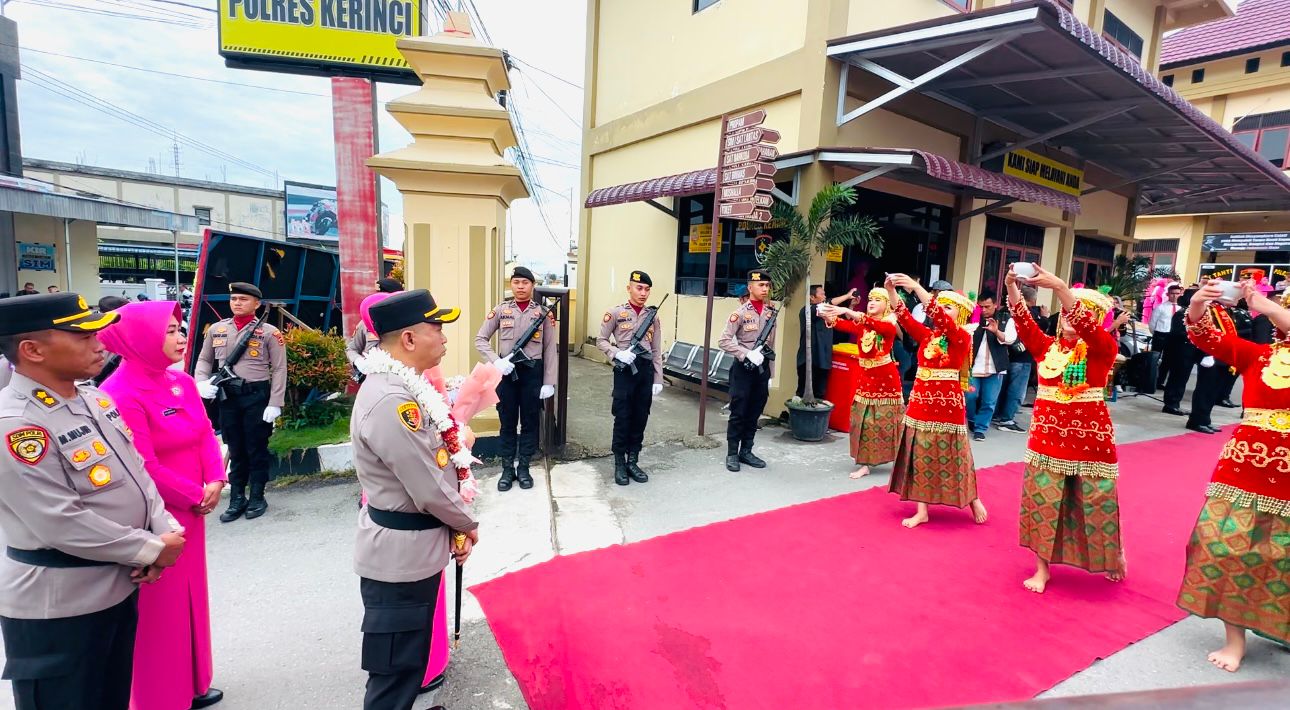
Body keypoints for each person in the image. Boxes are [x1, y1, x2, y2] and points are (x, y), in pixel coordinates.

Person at [0, 292, 186, 710]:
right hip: (60, 606)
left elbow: (137, 472)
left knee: (111, 697)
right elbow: (59, 520)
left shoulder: (92, 398)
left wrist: (162, 528)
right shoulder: (16, 425)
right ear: (32, 350)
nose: (99, 343)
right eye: (81, 336)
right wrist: (151, 548)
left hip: (117, 587)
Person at [351, 289, 478, 710]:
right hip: (398, 561)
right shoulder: (392, 400)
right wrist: (467, 523)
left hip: (413, 554)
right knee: (393, 676)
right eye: (436, 327)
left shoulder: (405, 387)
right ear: (407, 339)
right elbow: (426, 485)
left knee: (409, 660)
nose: (444, 337)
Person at [98, 301, 226, 710]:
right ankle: (160, 695)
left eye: (178, 328)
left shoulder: (180, 382)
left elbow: (205, 431)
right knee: (161, 609)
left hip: (195, 506)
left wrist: (216, 479)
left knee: (192, 596)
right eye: (169, 331)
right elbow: (143, 465)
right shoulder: (118, 392)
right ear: (138, 339)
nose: (180, 336)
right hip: (159, 514)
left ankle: (193, 680)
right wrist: (194, 494)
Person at [1176, 279, 1290, 672]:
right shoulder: (1258, 355)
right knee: (1226, 549)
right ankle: (1235, 641)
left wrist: (1265, 305)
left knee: (1282, 558)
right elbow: (1207, 338)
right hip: (1241, 472)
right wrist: (1195, 306)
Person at [1003, 265, 1125, 593]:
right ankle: (1042, 568)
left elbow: (1087, 326)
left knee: (1096, 502)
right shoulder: (1046, 347)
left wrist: (1059, 287)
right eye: (1068, 311)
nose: (1071, 317)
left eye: (1081, 313)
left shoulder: (1103, 349)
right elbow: (1022, 320)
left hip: (1090, 442)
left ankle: (1111, 555)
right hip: (1046, 441)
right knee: (1044, 503)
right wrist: (1011, 285)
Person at [886, 274, 987, 528]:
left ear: (961, 314)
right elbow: (904, 317)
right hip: (920, 401)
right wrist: (891, 290)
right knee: (920, 453)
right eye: (940, 305)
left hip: (947, 405)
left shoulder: (961, 337)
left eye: (948, 307)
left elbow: (938, 316)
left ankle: (972, 497)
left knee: (956, 455)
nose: (941, 310)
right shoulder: (929, 335)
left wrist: (917, 287)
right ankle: (922, 510)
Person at [193, 282, 287, 522]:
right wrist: (200, 383)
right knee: (234, 446)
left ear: (257, 304)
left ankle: (257, 495)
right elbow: (204, 360)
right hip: (228, 397)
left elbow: (279, 369)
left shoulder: (269, 332)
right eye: (234, 298)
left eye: (243, 299)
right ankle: (237, 497)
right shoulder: (217, 329)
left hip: (257, 396)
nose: (237, 302)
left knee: (256, 447)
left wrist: (275, 402)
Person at [475, 267, 556, 492]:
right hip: (507, 373)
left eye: (525, 283)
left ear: (532, 286)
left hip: (533, 373)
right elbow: (480, 339)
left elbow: (550, 349)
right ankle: (508, 468)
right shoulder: (501, 310)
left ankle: (524, 468)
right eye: (516, 282)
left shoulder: (543, 313)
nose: (520, 287)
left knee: (530, 422)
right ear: (511, 284)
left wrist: (549, 381)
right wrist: (496, 361)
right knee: (507, 422)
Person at [819, 288, 904, 479]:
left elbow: (877, 327)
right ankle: (865, 463)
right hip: (866, 378)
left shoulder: (888, 325)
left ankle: (901, 458)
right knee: (862, 421)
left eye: (877, 300)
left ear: (887, 305)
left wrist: (849, 312)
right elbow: (846, 326)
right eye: (870, 299)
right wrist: (829, 315)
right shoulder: (865, 325)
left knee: (888, 422)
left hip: (886, 380)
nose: (871, 302)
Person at [596, 270, 664, 486]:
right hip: (625, 370)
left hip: (644, 371)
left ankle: (633, 461)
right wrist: (617, 353)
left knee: (640, 417)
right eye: (639, 288)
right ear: (629, 288)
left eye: (647, 289)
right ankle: (619, 463)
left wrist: (658, 378)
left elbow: (656, 349)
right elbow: (601, 340)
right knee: (623, 417)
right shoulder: (615, 313)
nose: (643, 293)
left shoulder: (652, 316)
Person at [718, 270, 779, 472]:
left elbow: (772, 346)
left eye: (767, 285)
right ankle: (732, 453)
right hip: (743, 370)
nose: (765, 289)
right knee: (739, 412)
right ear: (750, 287)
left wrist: (771, 373)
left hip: (761, 371)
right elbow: (724, 341)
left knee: (754, 412)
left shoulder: (771, 313)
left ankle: (747, 451)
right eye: (761, 285)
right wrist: (745, 353)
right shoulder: (741, 313)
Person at [964, 290, 1017, 442]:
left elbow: (1010, 340)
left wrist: (997, 332)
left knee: (989, 401)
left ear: (996, 304)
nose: (984, 310)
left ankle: (980, 429)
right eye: (981, 307)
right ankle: (973, 419)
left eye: (987, 306)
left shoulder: (1006, 319)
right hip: (973, 367)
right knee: (970, 396)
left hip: (995, 368)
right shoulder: (972, 319)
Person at [995, 285, 1043, 432]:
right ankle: (1007, 419)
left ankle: (999, 415)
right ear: (1032, 300)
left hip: (1005, 354)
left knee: (1004, 387)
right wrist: (1044, 317)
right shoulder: (1029, 313)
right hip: (1022, 357)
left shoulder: (1005, 311)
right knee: (1016, 390)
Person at [796, 286, 853, 400]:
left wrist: (850, 306)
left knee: (820, 394)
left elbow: (846, 321)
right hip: (809, 360)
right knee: (803, 394)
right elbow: (828, 303)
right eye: (822, 294)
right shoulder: (808, 310)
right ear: (812, 297)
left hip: (824, 359)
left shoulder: (829, 314)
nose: (825, 296)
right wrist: (847, 296)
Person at [347, 279, 403, 380]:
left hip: (403, 377)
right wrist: (359, 362)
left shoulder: (408, 322)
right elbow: (351, 349)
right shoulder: (365, 323)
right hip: (373, 379)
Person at [1161, 288, 1200, 416]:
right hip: (1180, 350)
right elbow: (1178, 333)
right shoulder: (1182, 314)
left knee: (1182, 378)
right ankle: (1171, 404)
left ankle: (1175, 402)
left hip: (1188, 351)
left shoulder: (1191, 314)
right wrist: (1195, 334)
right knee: (1177, 377)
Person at [1151, 283, 1182, 388]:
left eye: (1177, 293)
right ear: (1168, 294)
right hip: (1160, 334)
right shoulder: (1161, 307)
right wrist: (1155, 334)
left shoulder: (1181, 309)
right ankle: (1151, 379)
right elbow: (1152, 324)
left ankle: (1160, 381)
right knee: (1155, 358)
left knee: (1167, 360)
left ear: (1180, 294)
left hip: (1173, 337)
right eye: (1172, 293)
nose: (1174, 296)